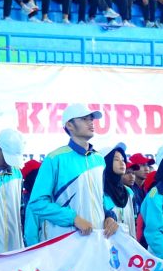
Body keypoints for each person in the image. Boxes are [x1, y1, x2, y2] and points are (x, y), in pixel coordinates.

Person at [26, 104, 119, 244]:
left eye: (91, 119)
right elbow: (37, 203)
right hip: (66, 243)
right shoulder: (54, 158)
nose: (91, 122)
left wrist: (110, 216)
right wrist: (73, 218)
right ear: (69, 125)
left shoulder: (99, 160)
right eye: (84, 119)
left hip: (98, 240)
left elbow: (101, 198)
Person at [102, 144, 137, 238]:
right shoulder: (100, 191)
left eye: (123, 159)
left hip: (129, 243)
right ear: (107, 162)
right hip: (108, 243)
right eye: (116, 160)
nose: (122, 163)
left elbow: (133, 223)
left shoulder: (128, 192)